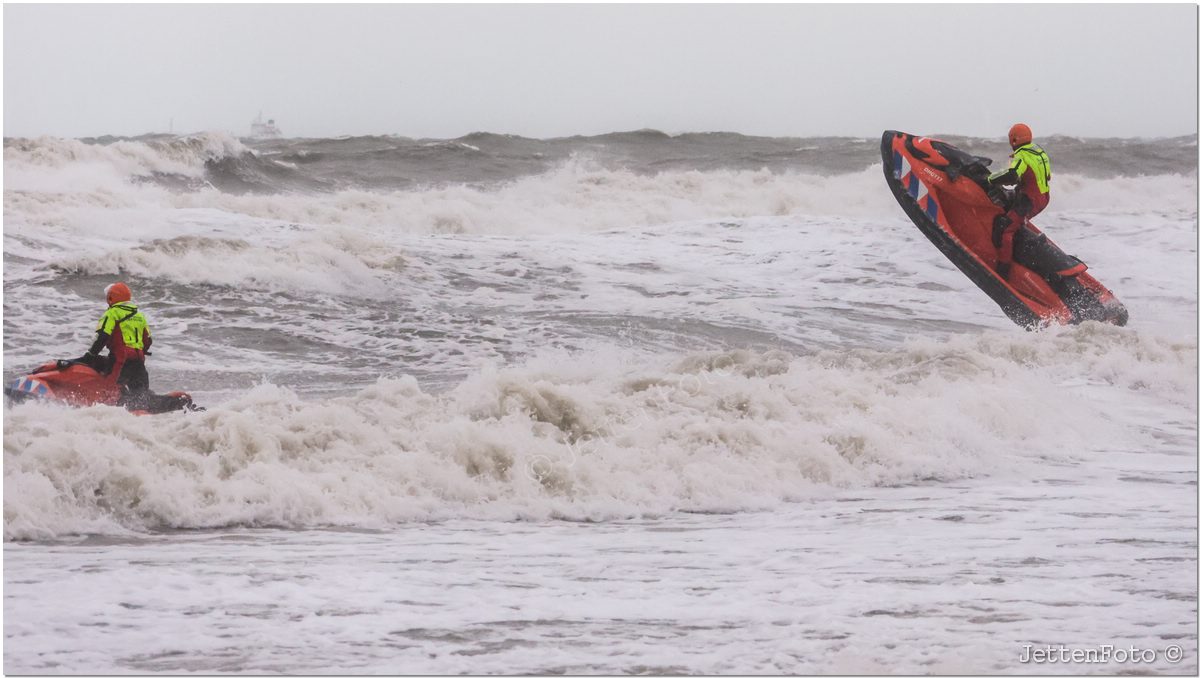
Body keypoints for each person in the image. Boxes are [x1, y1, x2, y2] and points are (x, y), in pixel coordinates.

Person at [986, 123, 1053, 279]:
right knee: (1014, 219)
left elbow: (1012, 174)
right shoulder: (1038, 151)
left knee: (1005, 229)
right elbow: (1046, 176)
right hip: (1044, 197)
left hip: (1030, 200)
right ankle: (1017, 250)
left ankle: (1003, 270)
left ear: (1013, 140)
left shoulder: (1022, 155)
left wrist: (990, 179)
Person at [79, 282, 154, 409]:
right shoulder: (139, 315)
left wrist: (91, 354)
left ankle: (121, 412)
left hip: (120, 360)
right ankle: (143, 412)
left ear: (111, 298)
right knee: (141, 394)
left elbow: (103, 336)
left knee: (111, 391)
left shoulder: (112, 313)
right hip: (139, 361)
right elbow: (148, 340)